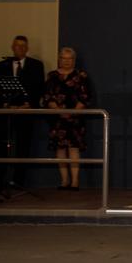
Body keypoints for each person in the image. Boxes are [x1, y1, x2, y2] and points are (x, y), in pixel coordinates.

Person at [0, 35, 45, 192]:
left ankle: (18, 181)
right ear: (12, 47)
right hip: (7, 111)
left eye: (23, 46)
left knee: (23, 146)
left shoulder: (36, 65)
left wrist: (30, 104)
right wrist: (5, 103)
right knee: (1, 145)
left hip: (26, 111)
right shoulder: (2, 65)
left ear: (27, 49)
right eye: (17, 46)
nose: (20, 48)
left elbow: (39, 87)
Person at [42, 47, 94, 191]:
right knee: (59, 149)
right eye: (63, 58)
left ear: (74, 60)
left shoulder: (81, 76)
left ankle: (75, 182)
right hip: (57, 119)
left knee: (73, 148)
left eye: (69, 59)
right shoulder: (51, 76)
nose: (66, 61)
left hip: (75, 119)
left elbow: (85, 97)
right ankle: (64, 181)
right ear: (59, 59)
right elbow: (47, 97)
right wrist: (59, 111)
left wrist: (71, 112)